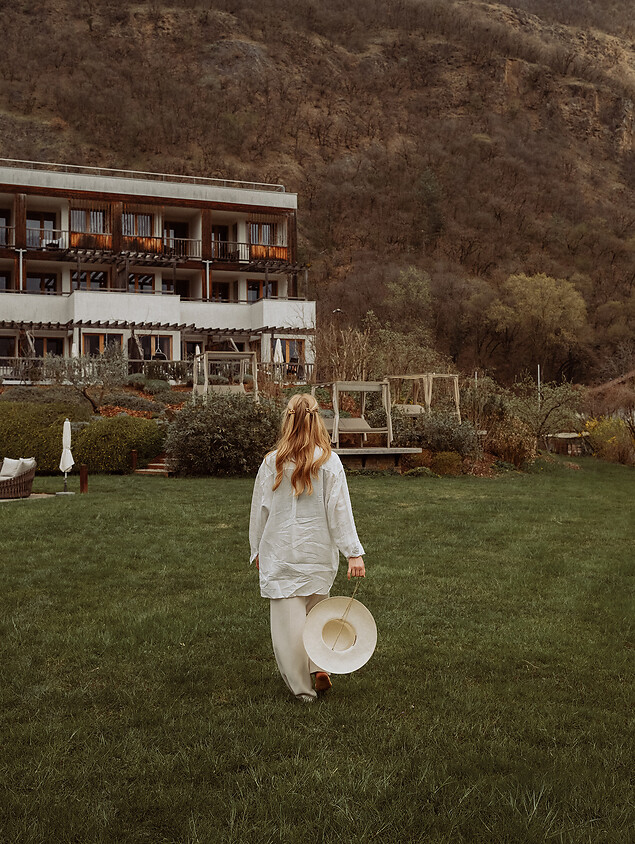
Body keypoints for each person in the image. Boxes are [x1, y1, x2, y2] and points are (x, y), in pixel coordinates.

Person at [249, 392, 366, 703]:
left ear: (287, 421)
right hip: (317, 556)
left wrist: (256, 549)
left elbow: (259, 511)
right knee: (316, 618)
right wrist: (353, 553)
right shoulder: (329, 462)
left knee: (289, 631)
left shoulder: (272, 462)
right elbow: (340, 511)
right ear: (317, 422)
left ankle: (304, 691)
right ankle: (319, 666)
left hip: (281, 556)